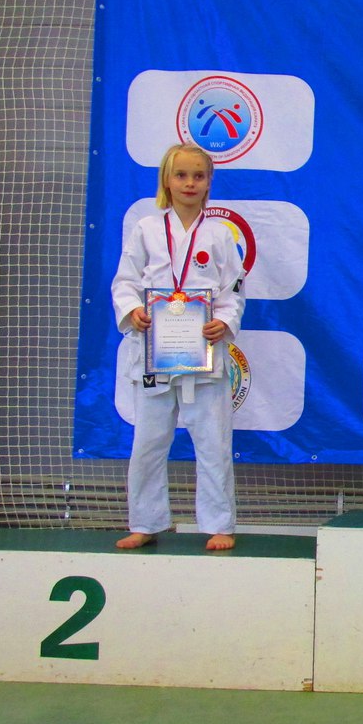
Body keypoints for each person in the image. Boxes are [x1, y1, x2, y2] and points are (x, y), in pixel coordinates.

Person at [110, 143, 246, 552]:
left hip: (203, 352)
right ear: (166, 181)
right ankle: (145, 521)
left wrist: (225, 321)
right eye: (181, 175)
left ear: (209, 183)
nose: (190, 183)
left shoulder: (219, 234)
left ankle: (219, 523)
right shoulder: (147, 229)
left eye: (198, 176)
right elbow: (124, 282)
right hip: (155, 351)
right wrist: (133, 311)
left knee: (213, 441)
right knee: (148, 442)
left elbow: (234, 290)